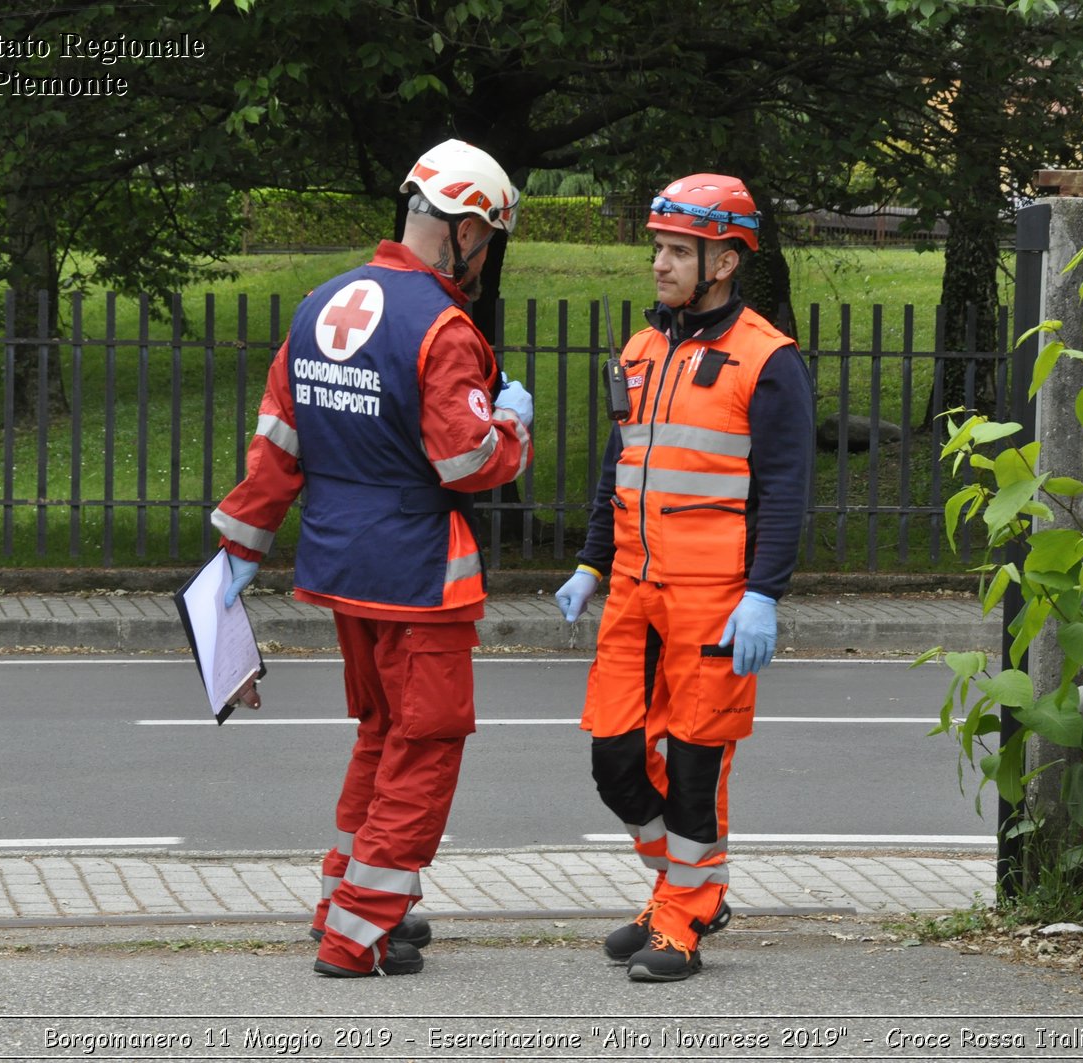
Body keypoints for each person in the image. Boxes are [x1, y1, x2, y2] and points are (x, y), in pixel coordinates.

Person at [210, 139, 532, 978]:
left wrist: (241, 548)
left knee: (380, 735)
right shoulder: (443, 327)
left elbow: (278, 443)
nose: (484, 257)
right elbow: (465, 462)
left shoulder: (322, 304)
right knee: (424, 744)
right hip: (419, 574)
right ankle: (358, 936)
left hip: (341, 571)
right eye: (486, 239)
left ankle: (341, 900)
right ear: (463, 229)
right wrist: (514, 429)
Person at [554, 173, 814, 982]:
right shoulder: (641, 348)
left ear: (724, 261)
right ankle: (686, 886)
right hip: (634, 586)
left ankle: (683, 914)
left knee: (697, 764)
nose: (659, 265)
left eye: (676, 251)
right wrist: (592, 560)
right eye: (658, 248)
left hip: (715, 598)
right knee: (615, 759)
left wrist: (764, 592)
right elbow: (619, 463)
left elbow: (787, 488)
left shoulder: (766, 361)